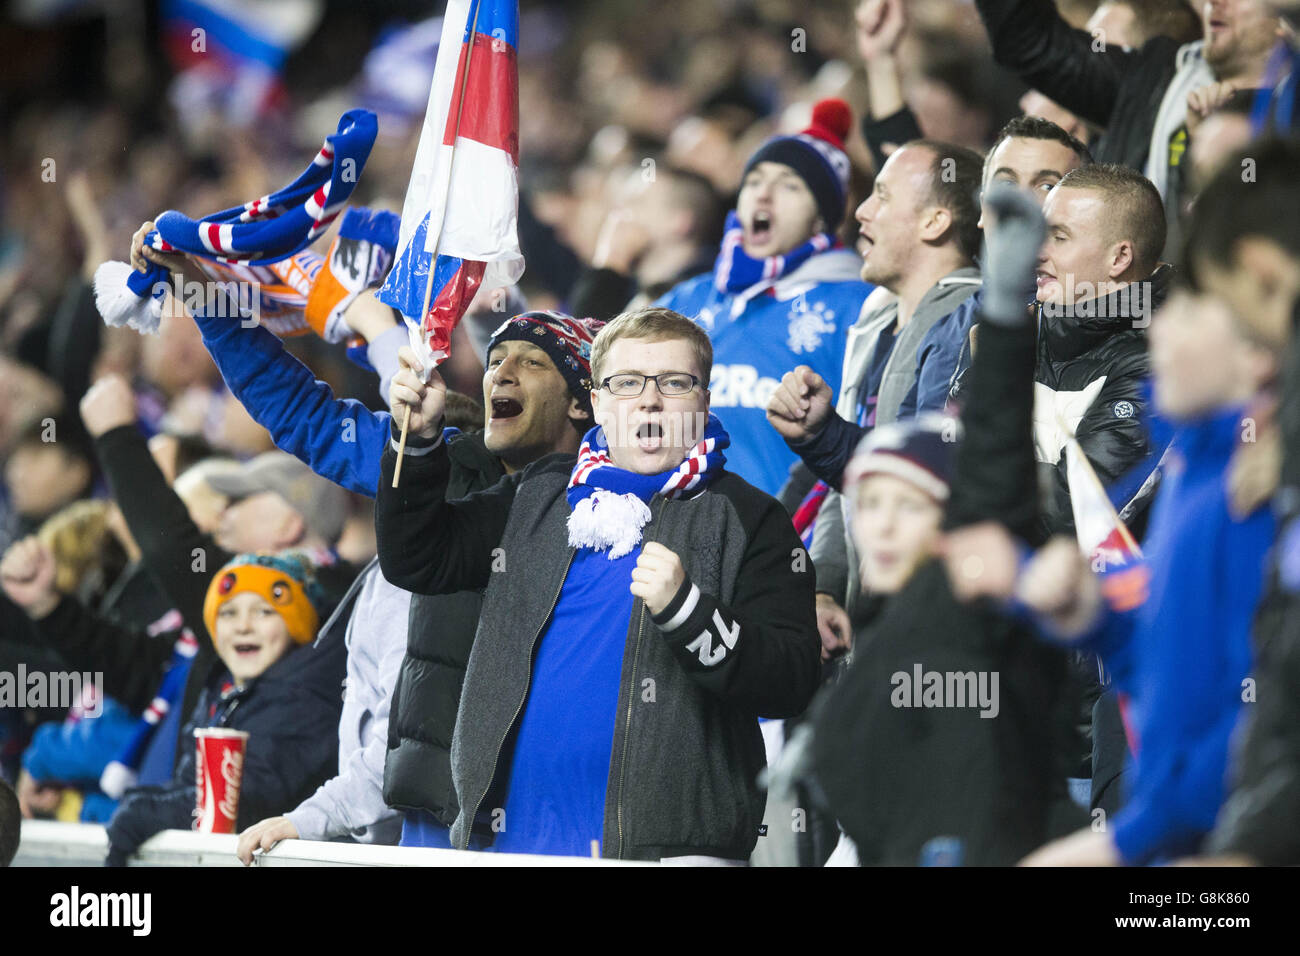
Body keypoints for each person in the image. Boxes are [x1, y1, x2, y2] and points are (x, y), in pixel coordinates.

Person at [376, 307, 821, 861]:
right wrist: (414, 442)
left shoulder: (749, 517)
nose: (650, 401)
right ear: (600, 403)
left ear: (704, 399)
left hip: (666, 857)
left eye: (675, 383)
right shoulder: (537, 495)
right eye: (627, 383)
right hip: (510, 844)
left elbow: (792, 679)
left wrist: (691, 614)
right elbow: (418, 559)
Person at [811, 194, 1076, 864]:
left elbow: (993, 463)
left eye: (910, 506)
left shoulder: (970, 595)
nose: (884, 527)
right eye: (870, 506)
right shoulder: (879, 631)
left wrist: (1007, 316)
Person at [766, 140, 983, 646]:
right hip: (867, 627)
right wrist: (824, 587)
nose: (861, 211)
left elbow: (922, 480)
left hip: (927, 631)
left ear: (934, 223)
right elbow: (844, 487)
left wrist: (824, 436)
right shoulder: (877, 317)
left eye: (882, 196)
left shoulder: (965, 323)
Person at [656, 99, 875, 496]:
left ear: (822, 217)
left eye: (790, 186)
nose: (764, 196)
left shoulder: (860, 307)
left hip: (788, 547)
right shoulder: (688, 298)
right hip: (676, 538)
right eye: (754, 181)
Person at [972, 0, 1285, 255]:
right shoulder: (1153, 78)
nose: (1215, 3)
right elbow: (1027, 39)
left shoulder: (1288, 117)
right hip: (1113, 316)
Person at [95, 551, 344, 866]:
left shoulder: (306, 698)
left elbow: (246, 798)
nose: (243, 626)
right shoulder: (222, 689)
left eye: (264, 612)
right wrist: (140, 804)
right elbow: (190, 785)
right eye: (228, 613)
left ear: (296, 624)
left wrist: (140, 816)